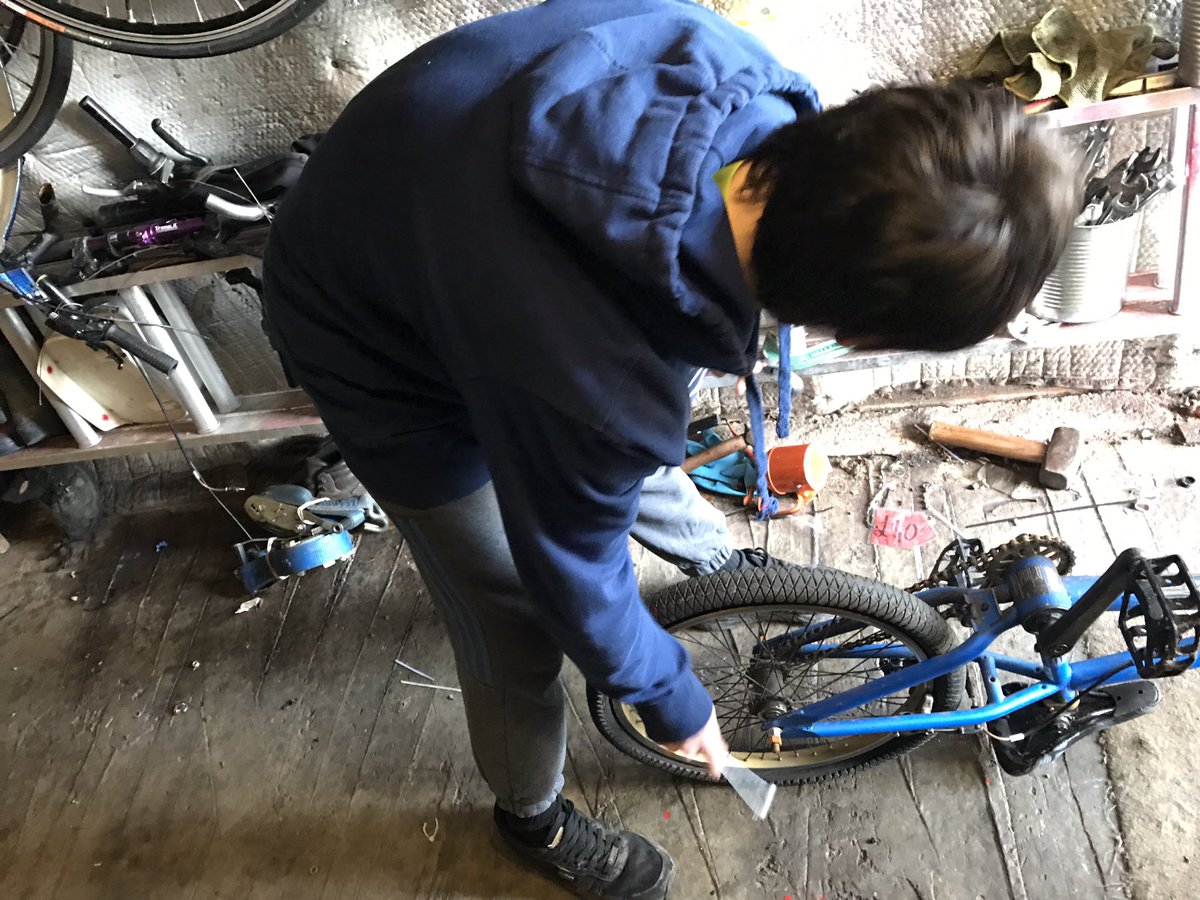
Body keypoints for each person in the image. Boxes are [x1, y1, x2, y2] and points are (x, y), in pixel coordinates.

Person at [261, 1, 1078, 896]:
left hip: (429, 207)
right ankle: (528, 818)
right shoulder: (596, 375)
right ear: (857, 331)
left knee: (614, 445)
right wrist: (672, 698)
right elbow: (569, 555)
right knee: (512, 609)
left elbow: (607, 416)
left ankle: (718, 566)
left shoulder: (735, 67)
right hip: (365, 328)